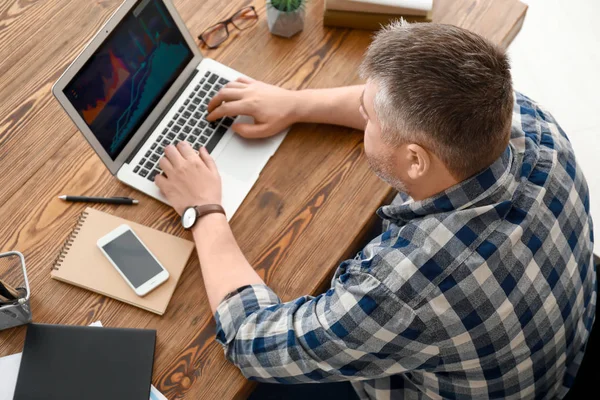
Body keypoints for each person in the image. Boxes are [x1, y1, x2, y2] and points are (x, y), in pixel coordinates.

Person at [154, 21, 597, 400]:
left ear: (415, 160)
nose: (363, 113)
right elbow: (395, 107)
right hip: (553, 350)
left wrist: (203, 208)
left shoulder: (402, 287)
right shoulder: (530, 124)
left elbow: (253, 340)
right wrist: (293, 102)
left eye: (370, 116)